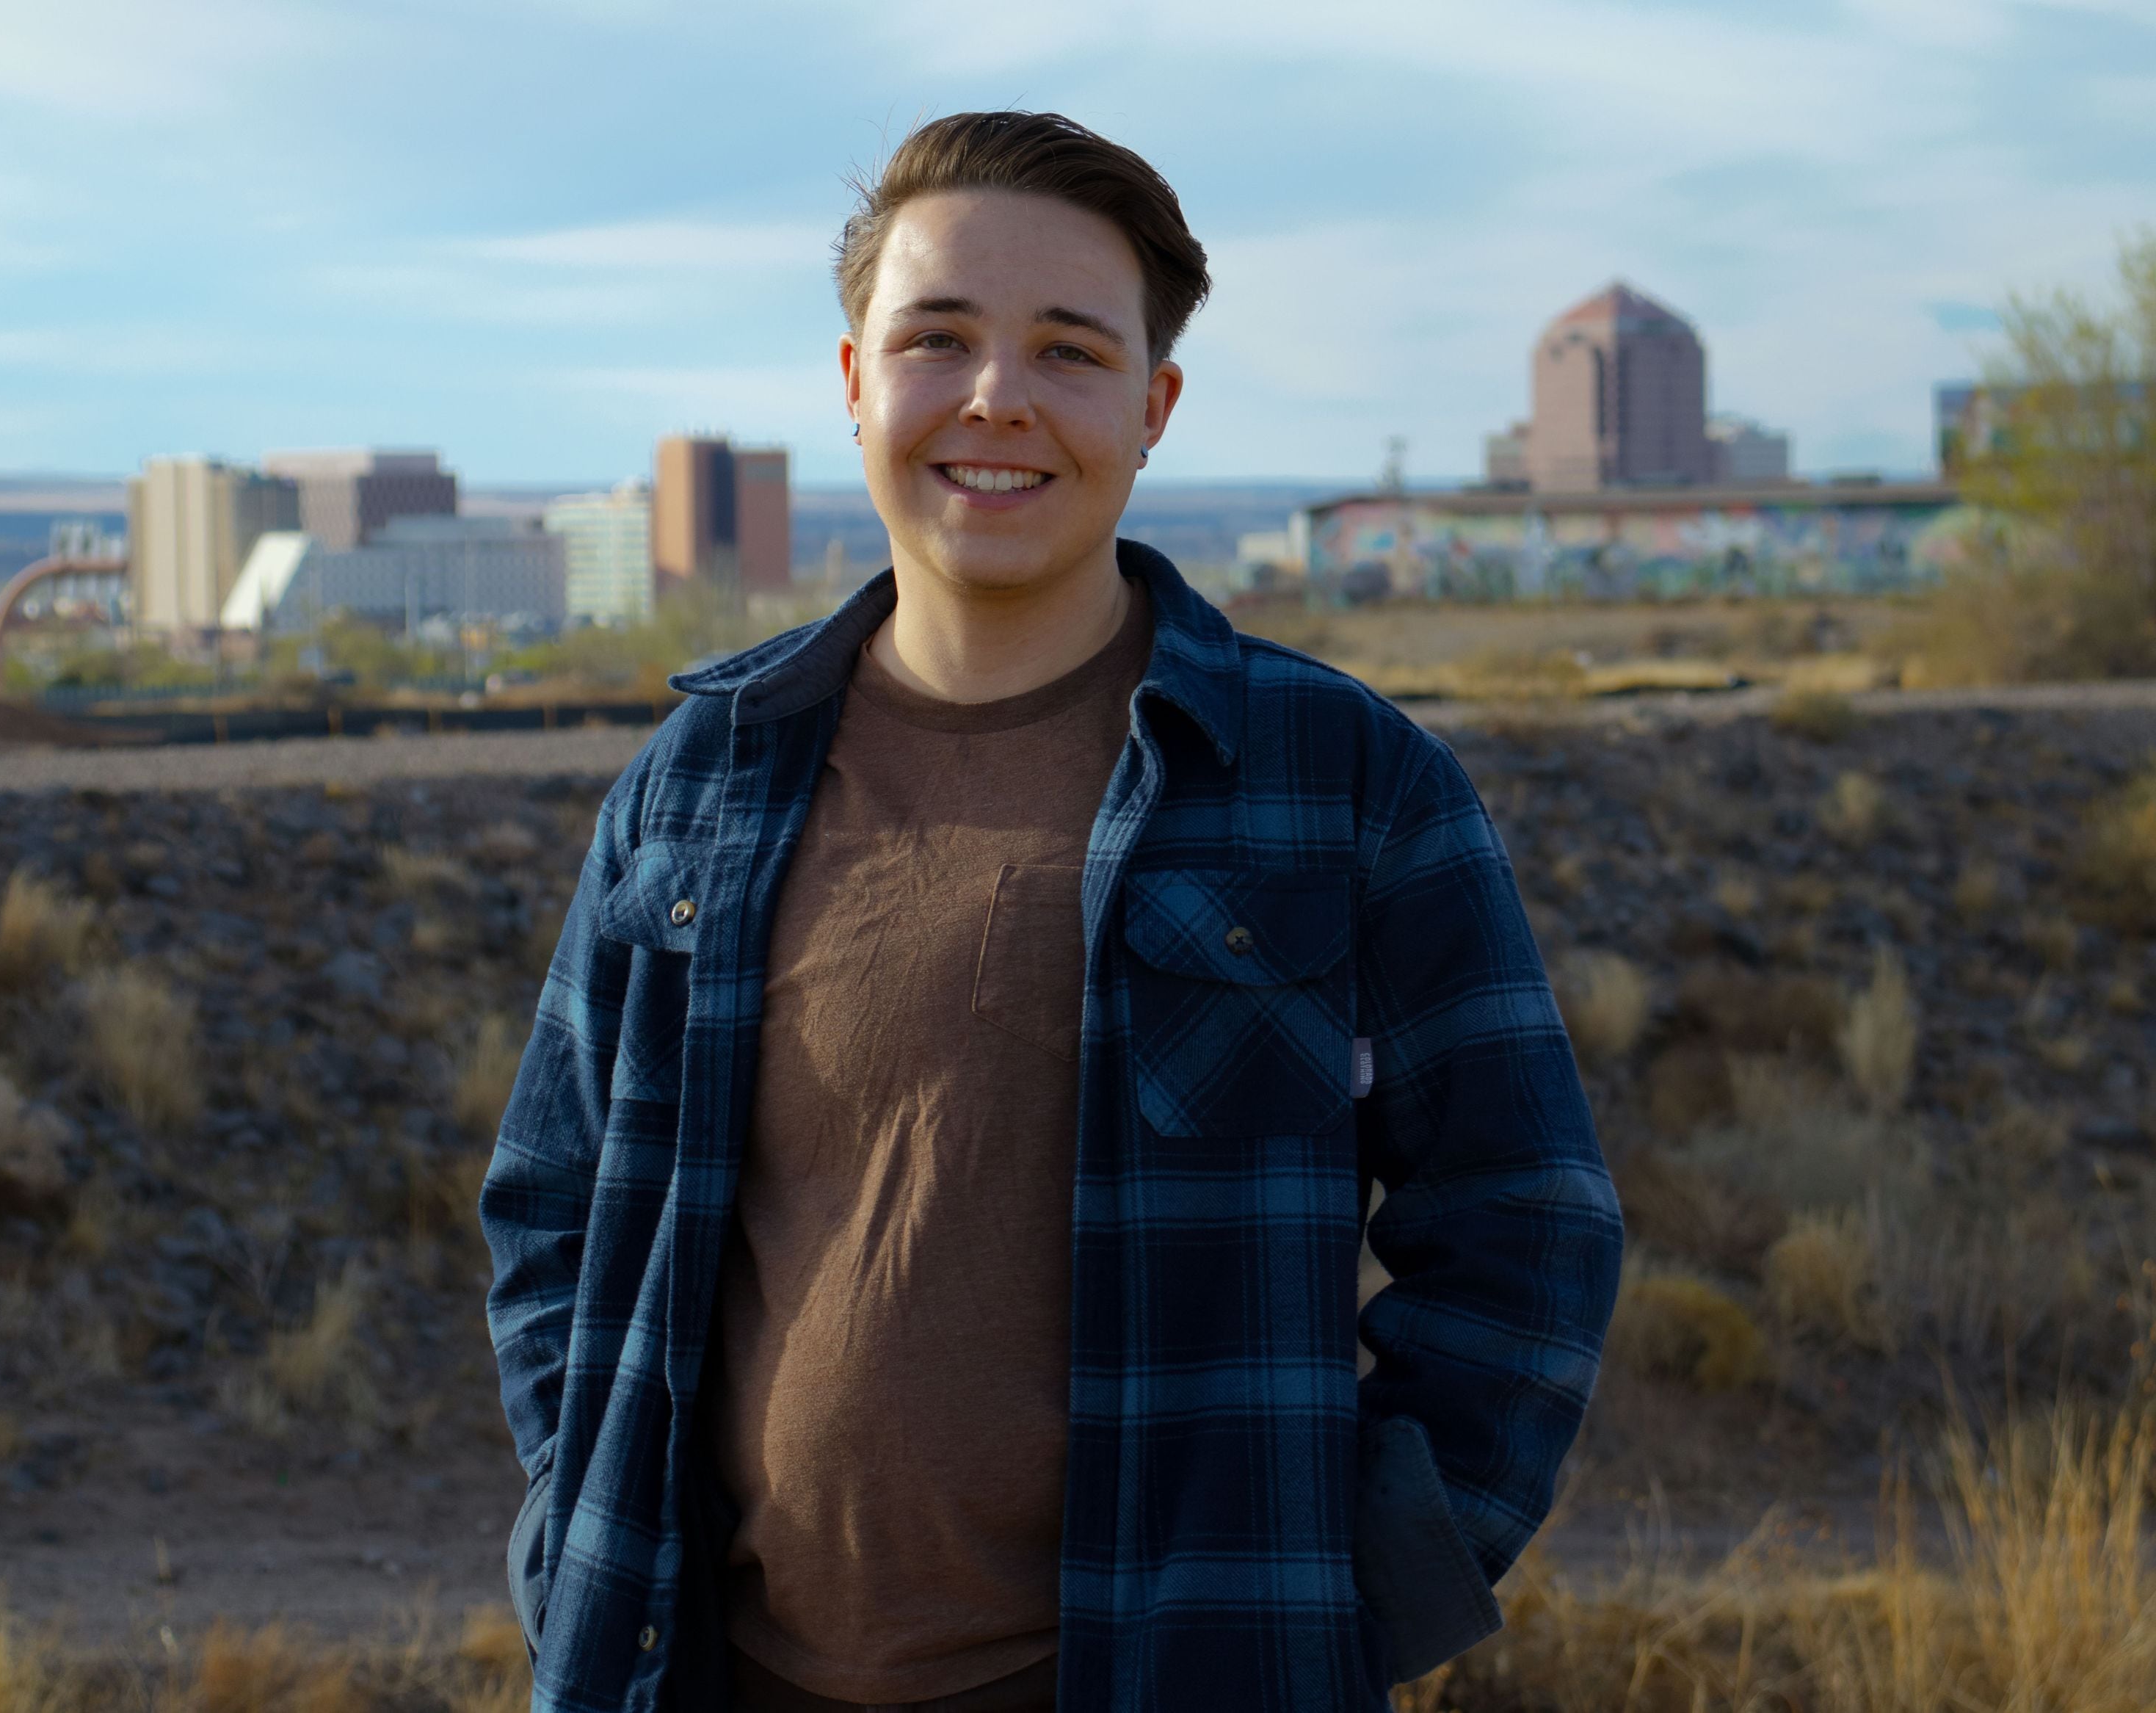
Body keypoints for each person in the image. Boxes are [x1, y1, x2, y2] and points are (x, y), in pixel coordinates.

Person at [483, 109, 1621, 1713]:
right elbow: (552, 1207)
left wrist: (1330, 1606)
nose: (997, 398)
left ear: (1152, 410)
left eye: (1069, 352)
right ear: (855, 383)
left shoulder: (1343, 783)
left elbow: (1526, 1233)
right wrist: (575, 1532)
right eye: (937, 338)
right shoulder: (697, 784)